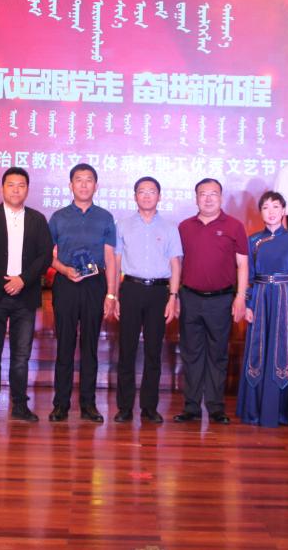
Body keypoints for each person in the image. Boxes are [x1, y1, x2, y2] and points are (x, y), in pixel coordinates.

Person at [0, 167, 53, 423]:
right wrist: (4, 282)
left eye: (21, 185)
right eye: (11, 185)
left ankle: (20, 405)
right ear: (2, 188)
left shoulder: (37, 219)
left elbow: (44, 255)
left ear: (27, 190)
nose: (16, 189)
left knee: (21, 356)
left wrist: (23, 280)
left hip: (25, 296)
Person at [47, 164, 117, 423]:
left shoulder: (105, 217)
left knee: (90, 346)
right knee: (64, 345)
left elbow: (110, 258)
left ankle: (88, 404)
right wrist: (64, 270)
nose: (84, 184)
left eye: (89, 180)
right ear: (71, 185)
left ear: (96, 186)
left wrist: (111, 294)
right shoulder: (58, 217)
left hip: (94, 284)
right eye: (79, 180)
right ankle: (60, 405)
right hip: (66, 284)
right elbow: (46, 254)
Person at [175, 178, 248, 425]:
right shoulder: (184, 227)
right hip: (190, 298)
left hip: (221, 299)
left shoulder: (234, 226)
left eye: (213, 194)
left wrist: (240, 297)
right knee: (191, 354)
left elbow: (242, 265)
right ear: (196, 198)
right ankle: (191, 407)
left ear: (221, 197)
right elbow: (177, 263)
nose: (208, 198)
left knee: (218, 354)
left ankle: (216, 407)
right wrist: (175, 296)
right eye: (203, 194)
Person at [112, 176, 183, 424]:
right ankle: (124, 407)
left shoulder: (170, 227)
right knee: (127, 350)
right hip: (130, 289)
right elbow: (116, 262)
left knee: (154, 351)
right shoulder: (122, 225)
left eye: (151, 191)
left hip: (158, 293)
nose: (146, 195)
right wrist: (114, 295)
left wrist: (173, 297)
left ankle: (149, 407)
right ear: (135, 196)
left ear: (159, 196)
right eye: (141, 191)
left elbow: (175, 264)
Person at [236, 191, 288, 428]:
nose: (271, 212)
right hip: (261, 297)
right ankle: (255, 410)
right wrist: (248, 304)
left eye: (276, 206)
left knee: (283, 350)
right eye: (266, 207)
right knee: (259, 350)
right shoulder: (254, 240)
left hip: (287, 297)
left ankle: (283, 411)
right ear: (261, 212)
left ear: (284, 210)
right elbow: (249, 275)